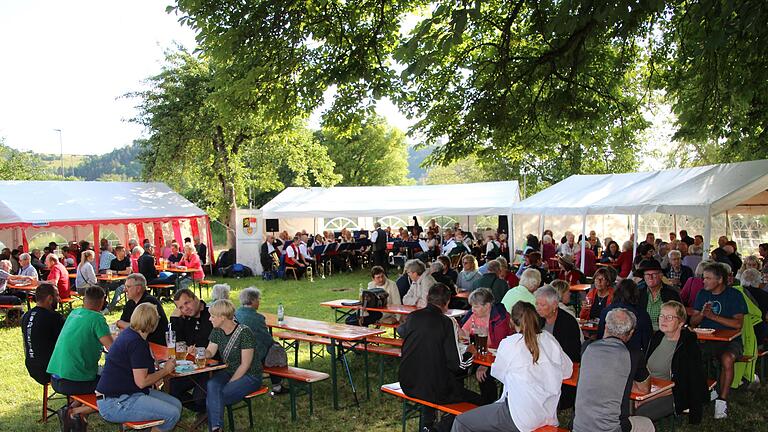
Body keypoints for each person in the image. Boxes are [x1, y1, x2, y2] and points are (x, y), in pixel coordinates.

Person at [451, 302, 573, 432]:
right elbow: (567, 371)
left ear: (512, 321)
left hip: (519, 415)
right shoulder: (550, 339)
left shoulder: (510, 343)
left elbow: (498, 374)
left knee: (461, 422)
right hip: (547, 412)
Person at [399, 284, 479, 432]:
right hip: (432, 388)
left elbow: (401, 331)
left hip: (407, 382)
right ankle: (439, 429)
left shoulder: (413, 316)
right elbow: (457, 365)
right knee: (479, 403)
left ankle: (427, 425)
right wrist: (470, 352)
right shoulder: (446, 322)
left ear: (427, 298)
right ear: (447, 302)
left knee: (434, 378)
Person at [96, 303, 182, 431]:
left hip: (124, 394)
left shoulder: (130, 335)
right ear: (153, 324)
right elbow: (142, 382)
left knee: (176, 405)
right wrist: (166, 370)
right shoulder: (137, 343)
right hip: (116, 402)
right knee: (172, 413)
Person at [573, 308, 654, 432]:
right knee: (647, 424)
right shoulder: (634, 355)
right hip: (612, 428)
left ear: (606, 326)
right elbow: (644, 389)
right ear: (631, 332)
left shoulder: (587, 347)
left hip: (579, 426)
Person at [47, 286, 113, 431]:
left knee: (100, 377)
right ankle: (75, 412)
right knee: (116, 385)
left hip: (55, 377)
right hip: (73, 381)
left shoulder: (74, 313)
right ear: (102, 302)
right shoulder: (97, 318)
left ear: (84, 300)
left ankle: (73, 411)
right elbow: (113, 349)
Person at [690, 262, 747, 419]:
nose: (704, 281)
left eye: (708, 278)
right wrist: (702, 314)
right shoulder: (702, 294)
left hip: (731, 340)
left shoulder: (734, 295)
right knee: (692, 356)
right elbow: (693, 322)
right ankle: (705, 391)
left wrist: (713, 316)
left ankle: (722, 401)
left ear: (720, 279)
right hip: (707, 339)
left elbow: (737, 324)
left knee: (727, 359)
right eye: (704, 278)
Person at [636, 301, 707, 424]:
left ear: (681, 323)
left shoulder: (687, 347)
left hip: (673, 394)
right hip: (648, 388)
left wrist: (645, 399)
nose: (663, 320)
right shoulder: (657, 337)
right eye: (661, 316)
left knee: (638, 414)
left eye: (669, 317)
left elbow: (681, 384)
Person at [202, 299, 264, 432]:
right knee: (212, 385)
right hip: (229, 370)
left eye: (212, 316)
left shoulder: (244, 332)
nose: (209, 319)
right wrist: (199, 352)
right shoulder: (217, 331)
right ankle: (216, 428)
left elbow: (245, 365)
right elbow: (210, 352)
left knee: (216, 397)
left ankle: (215, 428)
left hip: (251, 375)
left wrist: (231, 384)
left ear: (223, 317)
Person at [458, 288, 513, 403]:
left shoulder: (499, 319)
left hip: (501, 356)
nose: (472, 309)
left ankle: (489, 404)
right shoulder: (473, 315)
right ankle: (459, 399)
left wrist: (484, 366)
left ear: (487, 306)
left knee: (485, 376)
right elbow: (464, 334)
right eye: (472, 306)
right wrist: (456, 328)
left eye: (476, 306)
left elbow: (499, 347)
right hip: (479, 353)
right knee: (457, 367)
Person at [534, 285, 581, 410]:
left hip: (561, 372)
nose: (538, 308)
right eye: (536, 304)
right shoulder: (536, 319)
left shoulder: (568, 323)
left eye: (542, 305)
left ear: (554, 305)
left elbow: (571, 356)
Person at [235, 287, 287, 395]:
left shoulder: (237, 312)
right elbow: (266, 339)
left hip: (237, 351)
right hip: (253, 354)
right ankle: (278, 386)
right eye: (258, 299)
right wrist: (275, 344)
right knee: (275, 351)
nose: (259, 302)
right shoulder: (257, 318)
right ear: (253, 300)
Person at [21, 282, 65, 385]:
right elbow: (69, 342)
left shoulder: (26, 315)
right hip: (50, 370)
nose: (59, 299)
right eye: (57, 295)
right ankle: (76, 398)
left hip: (32, 367)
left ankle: (74, 400)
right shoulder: (54, 318)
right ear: (50, 298)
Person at [598, 279, 653, 353]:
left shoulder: (605, 311)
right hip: (632, 357)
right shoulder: (642, 314)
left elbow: (600, 337)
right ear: (636, 294)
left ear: (616, 292)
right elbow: (647, 342)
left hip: (607, 353)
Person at [117, 273, 169, 346]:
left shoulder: (149, 303)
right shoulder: (130, 303)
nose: (125, 290)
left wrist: (120, 323)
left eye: (128, 287)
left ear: (138, 288)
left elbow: (140, 329)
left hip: (154, 345)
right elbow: (124, 326)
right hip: (137, 342)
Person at [636, 259, 680, 331]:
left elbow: (679, 316)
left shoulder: (671, 293)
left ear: (661, 275)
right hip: (642, 333)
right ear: (644, 277)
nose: (650, 277)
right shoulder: (639, 292)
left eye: (654, 274)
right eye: (647, 274)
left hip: (665, 333)